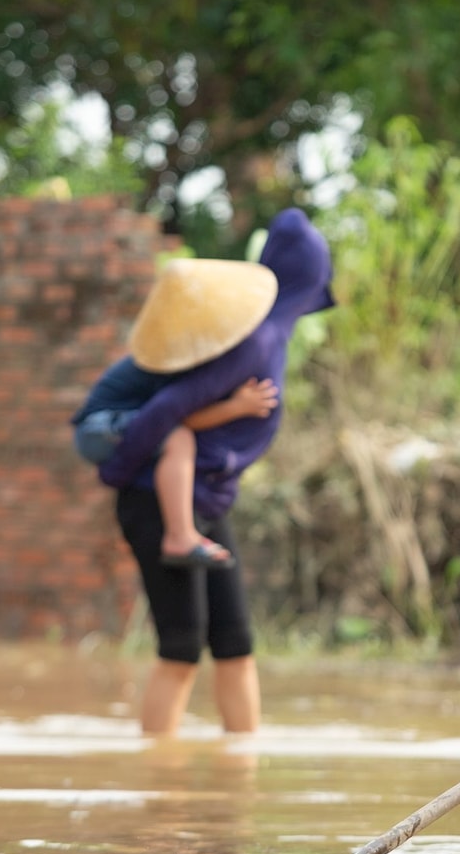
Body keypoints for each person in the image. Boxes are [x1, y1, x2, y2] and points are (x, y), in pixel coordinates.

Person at [93, 208, 335, 735]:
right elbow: (169, 408)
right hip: (159, 500)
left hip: (206, 501)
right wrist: (119, 470)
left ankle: (239, 775)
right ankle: (161, 790)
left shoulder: (271, 334)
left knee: (235, 643)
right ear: (313, 279)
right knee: (182, 647)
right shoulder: (255, 339)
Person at [73, 260, 285, 569]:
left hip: (118, 423)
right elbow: (180, 415)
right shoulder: (172, 356)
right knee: (179, 436)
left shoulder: (199, 354)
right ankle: (180, 536)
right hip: (97, 428)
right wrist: (237, 407)